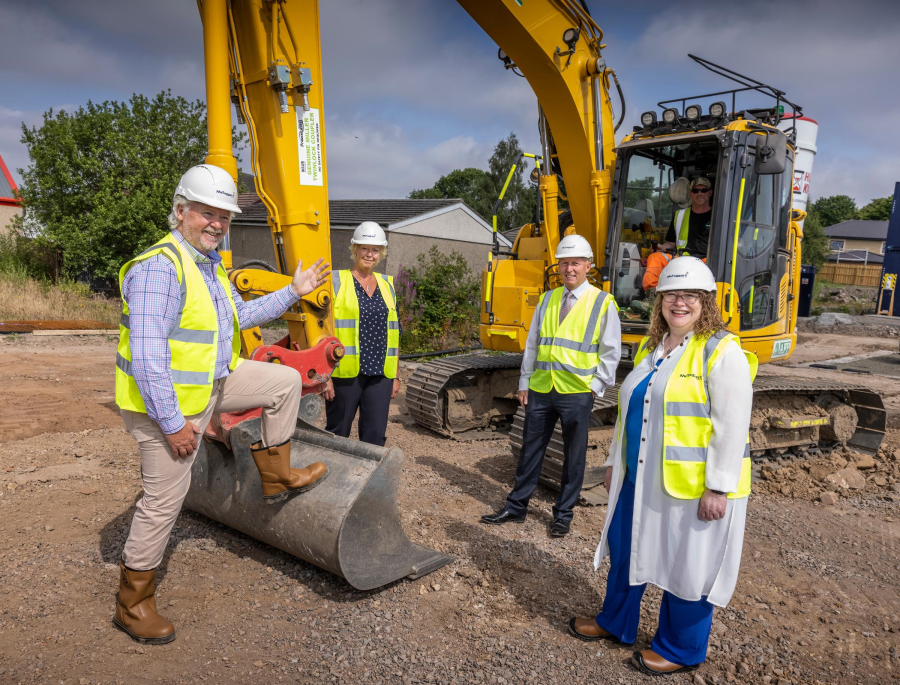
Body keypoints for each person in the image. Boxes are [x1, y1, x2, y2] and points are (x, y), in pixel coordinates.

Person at [113, 164, 331, 645]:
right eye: (206, 213)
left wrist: (292, 291)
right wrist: (174, 425)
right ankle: (132, 604)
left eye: (224, 215)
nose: (217, 223)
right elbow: (149, 361)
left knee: (282, 381)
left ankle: (275, 474)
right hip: (164, 405)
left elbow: (241, 315)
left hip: (210, 385)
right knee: (162, 503)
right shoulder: (160, 269)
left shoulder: (208, 266)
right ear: (181, 211)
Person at [568, 256, 756, 676]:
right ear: (660, 300)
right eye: (672, 294)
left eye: (690, 295)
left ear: (705, 302)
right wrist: (615, 462)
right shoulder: (653, 348)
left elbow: (732, 427)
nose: (680, 302)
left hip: (692, 486)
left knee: (689, 565)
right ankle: (616, 622)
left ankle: (681, 648)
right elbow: (632, 410)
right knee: (624, 546)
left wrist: (718, 487)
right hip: (641, 475)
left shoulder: (722, 351)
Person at [481, 234, 621, 537]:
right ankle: (516, 507)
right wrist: (525, 381)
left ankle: (563, 514)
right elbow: (533, 344)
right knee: (530, 450)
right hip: (542, 388)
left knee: (574, 456)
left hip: (576, 391)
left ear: (587, 266)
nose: (569, 268)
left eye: (575, 263)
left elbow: (611, 351)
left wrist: (595, 387)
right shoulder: (547, 299)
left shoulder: (602, 302)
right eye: (564, 263)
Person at [324, 221, 400, 446]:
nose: (369, 254)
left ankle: (368, 479)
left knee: (375, 435)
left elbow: (395, 333)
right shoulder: (336, 281)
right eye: (364, 248)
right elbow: (324, 331)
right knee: (338, 433)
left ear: (381, 253)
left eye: (375, 249)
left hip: (380, 373)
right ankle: (334, 477)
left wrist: (395, 375)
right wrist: (325, 377)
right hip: (345, 372)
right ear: (354, 249)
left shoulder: (387, 285)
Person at [661, 177, 713, 257]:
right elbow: (671, 243)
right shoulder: (679, 215)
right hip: (683, 260)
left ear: (710, 193)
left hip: (708, 261)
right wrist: (662, 248)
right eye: (695, 191)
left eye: (704, 190)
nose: (699, 193)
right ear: (690, 194)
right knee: (655, 258)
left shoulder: (718, 216)